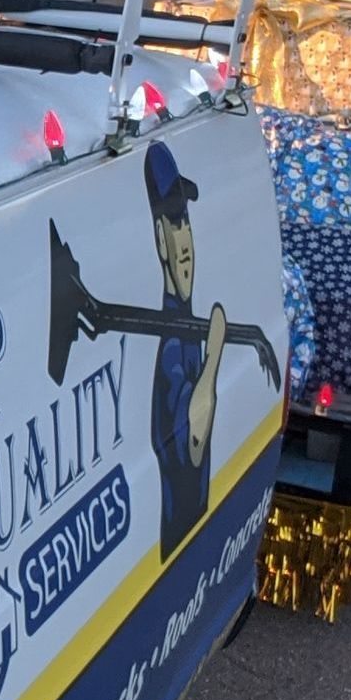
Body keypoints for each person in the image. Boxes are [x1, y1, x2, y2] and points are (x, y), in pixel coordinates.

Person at [143, 142, 230, 562]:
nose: (186, 243)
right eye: (175, 224)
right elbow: (192, 442)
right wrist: (213, 361)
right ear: (160, 239)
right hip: (178, 542)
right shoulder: (174, 347)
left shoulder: (187, 327)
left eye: (187, 223)